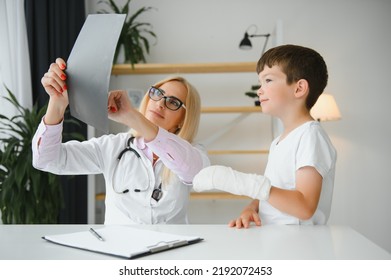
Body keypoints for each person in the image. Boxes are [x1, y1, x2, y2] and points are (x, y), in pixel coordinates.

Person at [32, 58, 210, 225]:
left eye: (173, 102)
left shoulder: (192, 152)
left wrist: (133, 117)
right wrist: (57, 103)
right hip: (120, 253)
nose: (160, 104)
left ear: (183, 119)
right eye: (158, 93)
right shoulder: (113, 147)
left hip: (171, 254)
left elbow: (193, 172)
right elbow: (47, 159)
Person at [193, 44, 337, 228]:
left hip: (301, 245)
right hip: (277, 240)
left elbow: (305, 207)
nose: (259, 90)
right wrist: (252, 207)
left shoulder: (310, 135)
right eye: (260, 83)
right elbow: (274, 191)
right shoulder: (279, 141)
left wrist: (239, 182)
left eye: (268, 80)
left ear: (299, 88)